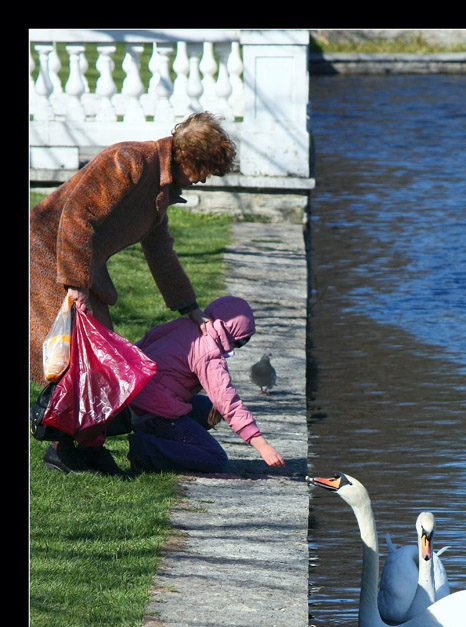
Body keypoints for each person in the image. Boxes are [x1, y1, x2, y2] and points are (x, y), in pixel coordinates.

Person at [30, 111, 236, 476]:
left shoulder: (160, 192)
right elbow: (77, 215)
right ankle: (66, 449)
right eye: (203, 170)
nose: (202, 179)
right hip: (46, 255)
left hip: (78, 267)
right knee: (81, 360)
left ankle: (87, 447)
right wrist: (76, 283)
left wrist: (190, 309)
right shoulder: (128, 161)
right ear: (189, 157)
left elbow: (161, 253)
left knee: (101, 362)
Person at [126, 295, 285, 475]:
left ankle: (159, 433)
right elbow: (228, 402)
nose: (236, 347)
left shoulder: (182, 325)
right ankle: (146, 448)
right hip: (154, 412)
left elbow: (144, 343)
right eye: (241, 341)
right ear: (231, 333)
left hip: (136, 393)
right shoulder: (209, 352)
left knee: (210, 410)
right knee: (216, 458)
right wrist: (261, 445)